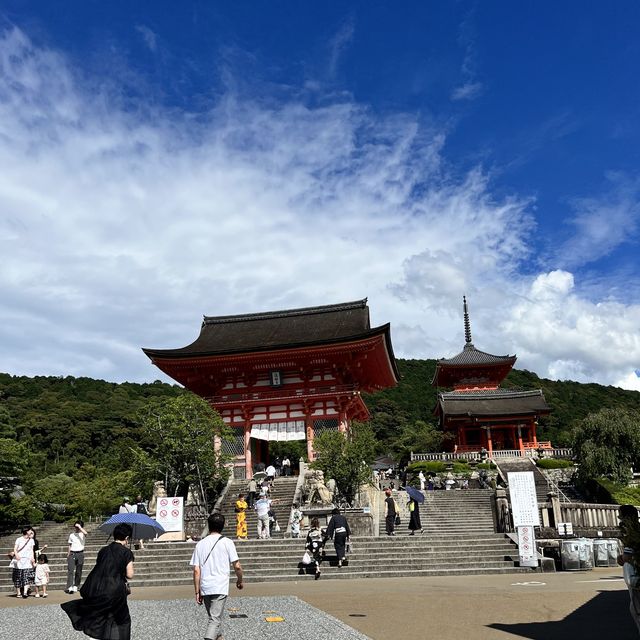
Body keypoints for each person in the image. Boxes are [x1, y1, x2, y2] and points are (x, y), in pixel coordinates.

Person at [61, 523, 135, 640]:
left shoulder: (103, 550)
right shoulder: (126, 552)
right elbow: (130, 574)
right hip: (115, 589)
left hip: (97, 587)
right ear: (126, 538)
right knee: (120, 619)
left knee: (99, 616)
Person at [190, 512, 243, 640]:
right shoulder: (227, 542)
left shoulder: (200, 544)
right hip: (219, 586)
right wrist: (240, 580)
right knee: (214, 619)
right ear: (223, 525)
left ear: (208, 525)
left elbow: (196, 570)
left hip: (205, 586)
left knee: (214, 618)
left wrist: (197, 591)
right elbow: (237, 566)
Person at [12, 526, 35, 598]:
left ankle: (25, 592)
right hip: (19, 560)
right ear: (26, 531)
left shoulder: (31, 540)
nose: (31, 531)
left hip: (28, 560)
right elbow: (15, 549)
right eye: (30, 530)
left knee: (27, 576)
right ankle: (18, 592)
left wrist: (33, 558)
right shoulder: (19, 539)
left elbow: (32, 550)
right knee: (17, 577)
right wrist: (16, 555)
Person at [66, 520, 88, 594]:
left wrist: (80, 527)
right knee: (70, 571)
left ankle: (76, 585)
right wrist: (68, 554)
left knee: (79, 571)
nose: (77, 528)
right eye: (76, 526)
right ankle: (69, 586)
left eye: (78, 526)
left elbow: (86, 533)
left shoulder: (82, 534)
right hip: (72, 553)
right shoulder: (71, 535)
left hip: (80, 553)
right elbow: (69, 545)